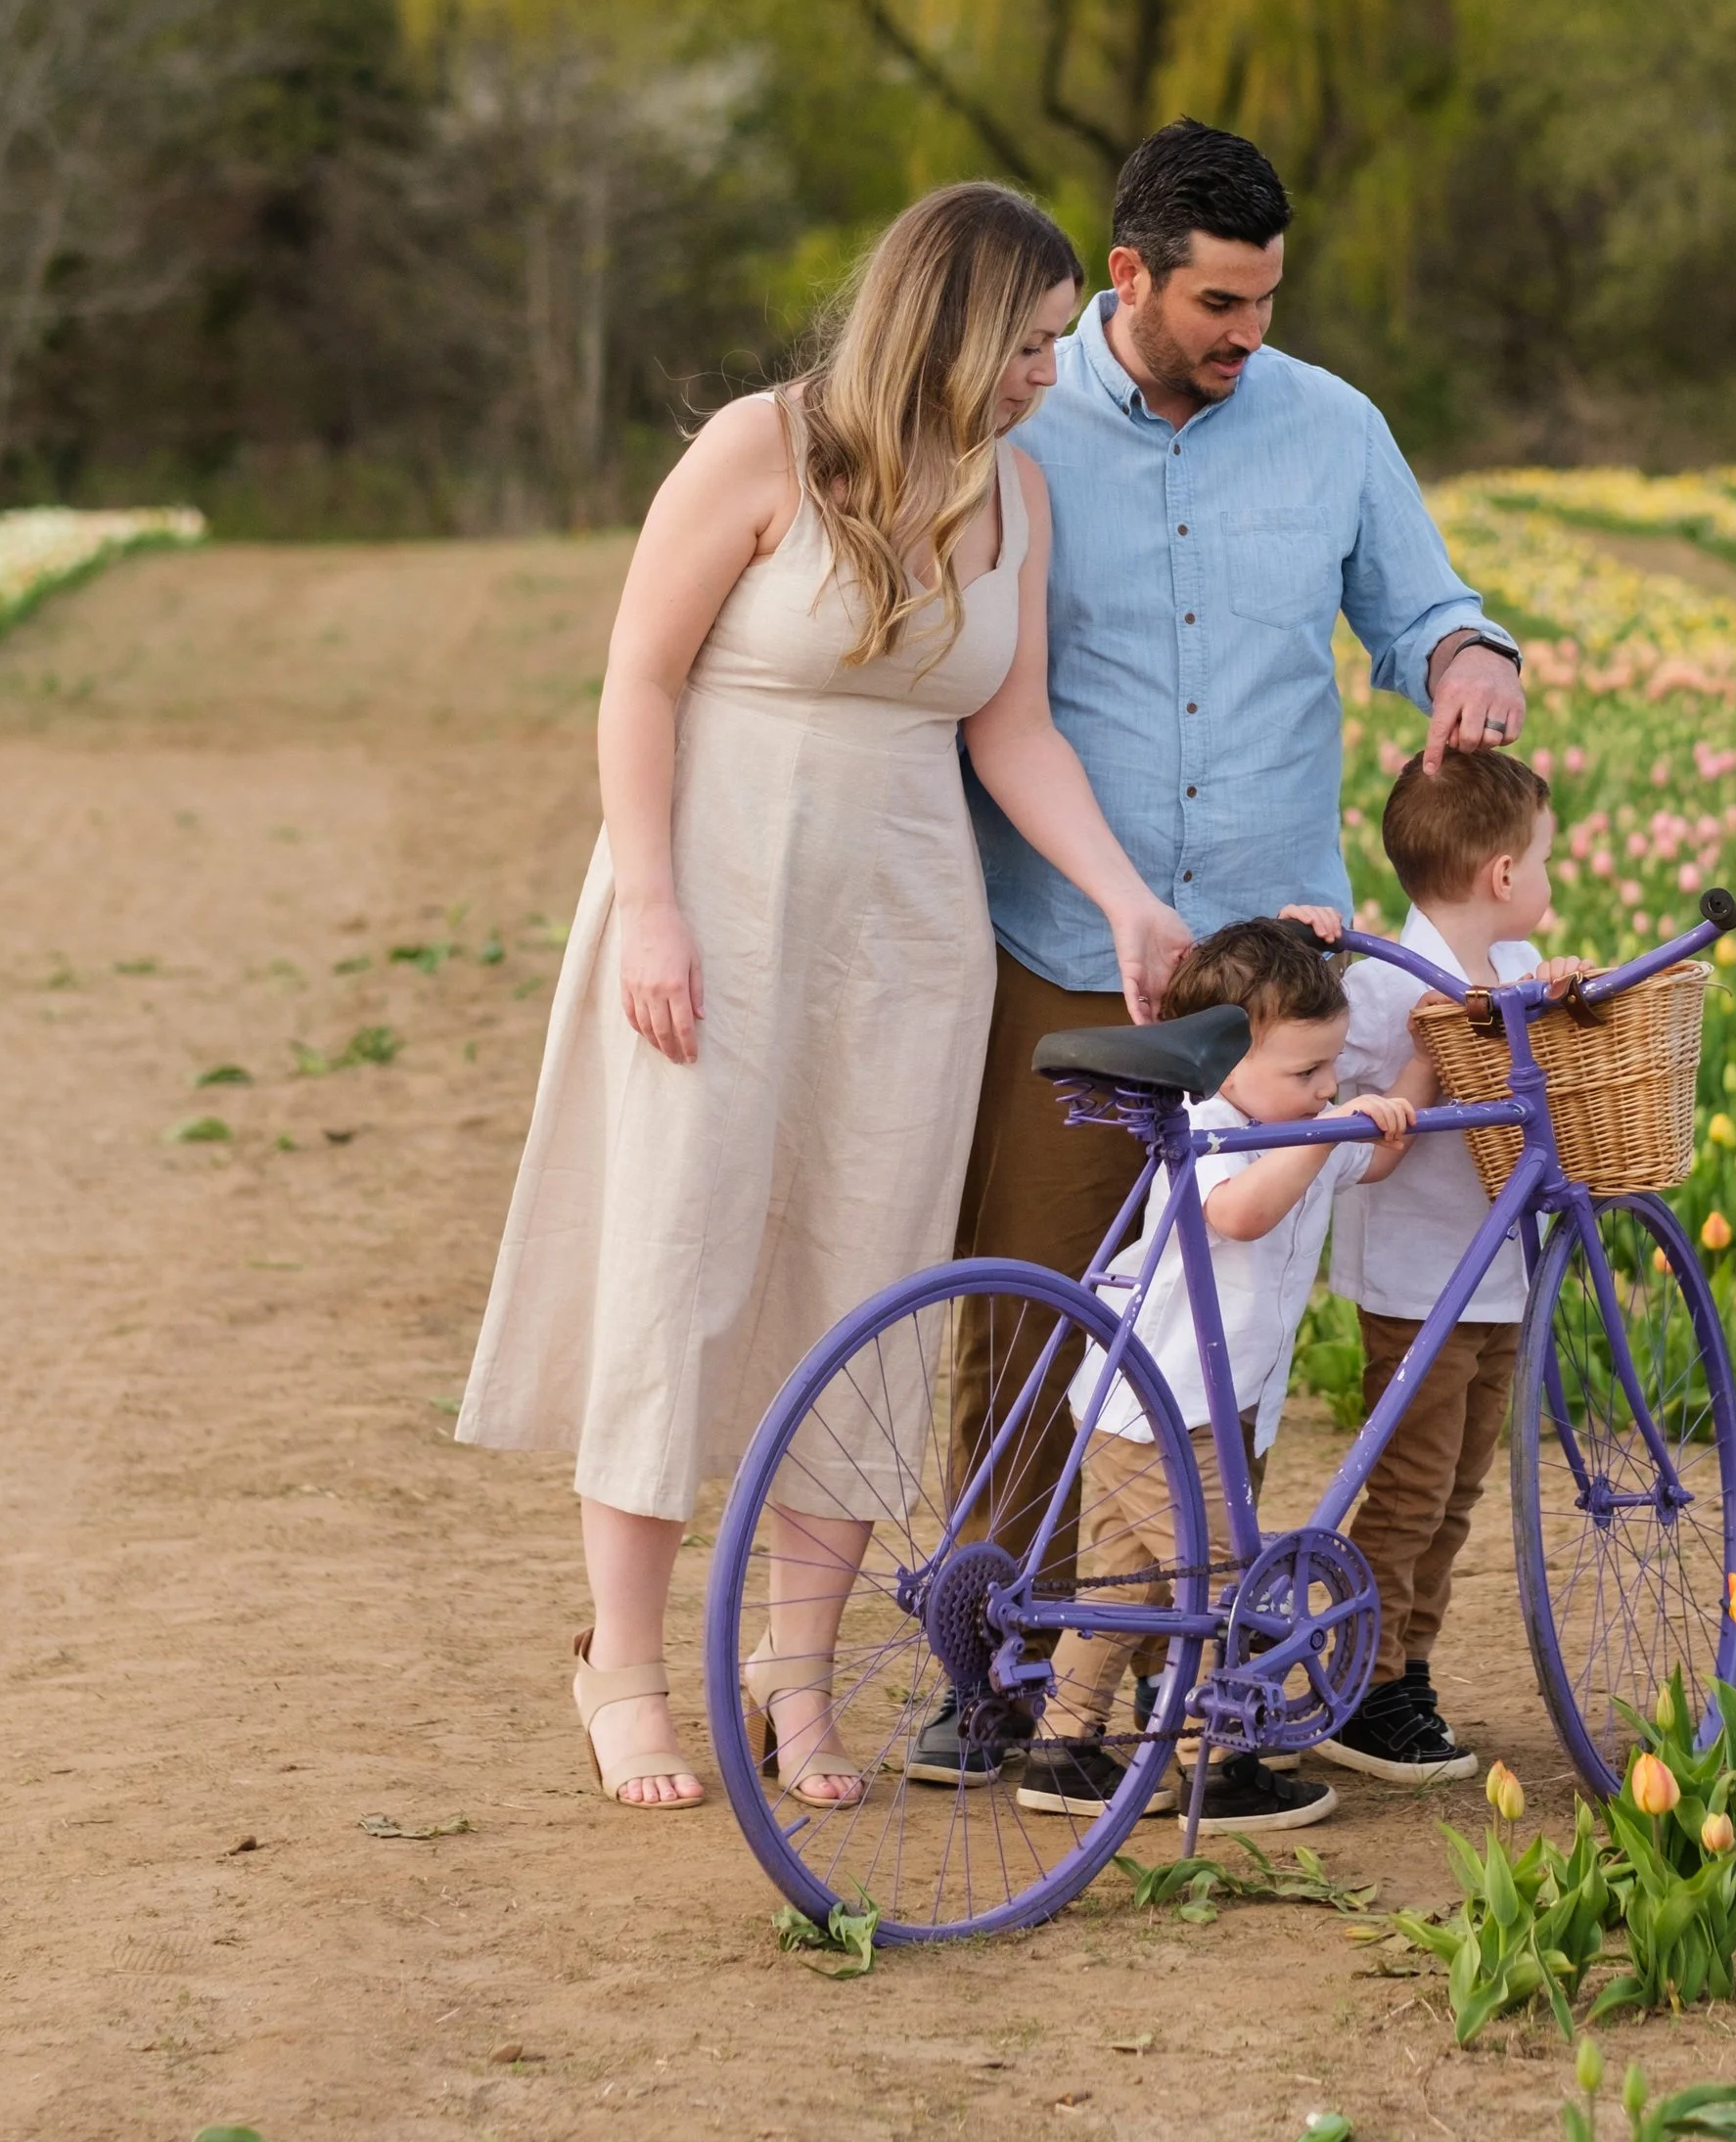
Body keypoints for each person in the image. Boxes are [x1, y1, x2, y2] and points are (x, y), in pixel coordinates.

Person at [456, 184, 1192, 1810]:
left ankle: (800, 1683)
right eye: (1026, 343)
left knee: (864, 1283)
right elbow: (638, 678)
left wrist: (1126, 898)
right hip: (712, 912)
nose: (1045, 380)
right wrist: (650, 906)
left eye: (1059, 347)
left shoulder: (1015, 499)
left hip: (901, 941)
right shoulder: (759, 448)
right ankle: (628, 1671)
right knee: (683, 1264)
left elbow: (1013, 736)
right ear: (943, 320)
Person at [923, 119, 1527, 1779]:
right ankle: (1012, 1676)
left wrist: (1475, 664)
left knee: (1225, 1320)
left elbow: (1426, 611)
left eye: (1264, 302)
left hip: (1274, 971)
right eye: (1216, 304)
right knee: (1046, 1312)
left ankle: (1179, 1671)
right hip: (1070, 933)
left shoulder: (1334, 429)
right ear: (1129, 275)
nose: (1247, 335)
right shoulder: (1026, 429)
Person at [1015, 919, 1423, 1837]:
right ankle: (1219, 1760)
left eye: (1330, 1068)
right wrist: (1327, 1129)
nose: (1325, 1086)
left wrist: (1417, 1071)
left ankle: (1064, 1746)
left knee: (1124, 1591)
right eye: (1304, 1072)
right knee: (1224, 1586)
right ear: (1228, 1068)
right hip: (1168, 1407)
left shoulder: (1302, 1121)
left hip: (1164, 1403)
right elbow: (1240, 1214)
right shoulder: (1209, 1128)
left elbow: (1386, 1148)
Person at [1314, 748, 1582, 1785]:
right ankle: (1366, 1685)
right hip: (1417, 1286)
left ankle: (1408, 1666)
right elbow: (1361, 1152)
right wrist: (1428, 1056)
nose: (1552, 877)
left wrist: (1567, 999)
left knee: (1458, 1490)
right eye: (1546, 859)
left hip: (1499, 1280)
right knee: (1410, 1492)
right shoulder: (1385, 987)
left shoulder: (1518, 972)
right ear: (1502, 876)